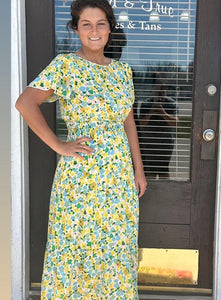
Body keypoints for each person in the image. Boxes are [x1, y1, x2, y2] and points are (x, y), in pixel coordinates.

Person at [15, 0, 147, 299]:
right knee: (75, 244)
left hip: (117, 175)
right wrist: (59, 145)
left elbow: (128, 123)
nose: (94, 30)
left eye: (101, 23)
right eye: (86, 24)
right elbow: (25, 104)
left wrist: (138, 170)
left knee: (115, 245)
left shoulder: (122, 72)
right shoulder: (65, 66)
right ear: (76, 29)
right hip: (80, 176)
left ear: (110, 28)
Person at [139, 75, 178, 179]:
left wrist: (163, 113)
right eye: (157, 90)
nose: (160, 93)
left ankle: (165, 191)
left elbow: (175, 123)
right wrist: (151, 111)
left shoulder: (170, 103)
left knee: (164, 169)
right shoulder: (146, 104)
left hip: (165, 143)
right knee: (150, 170)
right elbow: (141, 123)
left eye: (162, 90)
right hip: (149, 142)